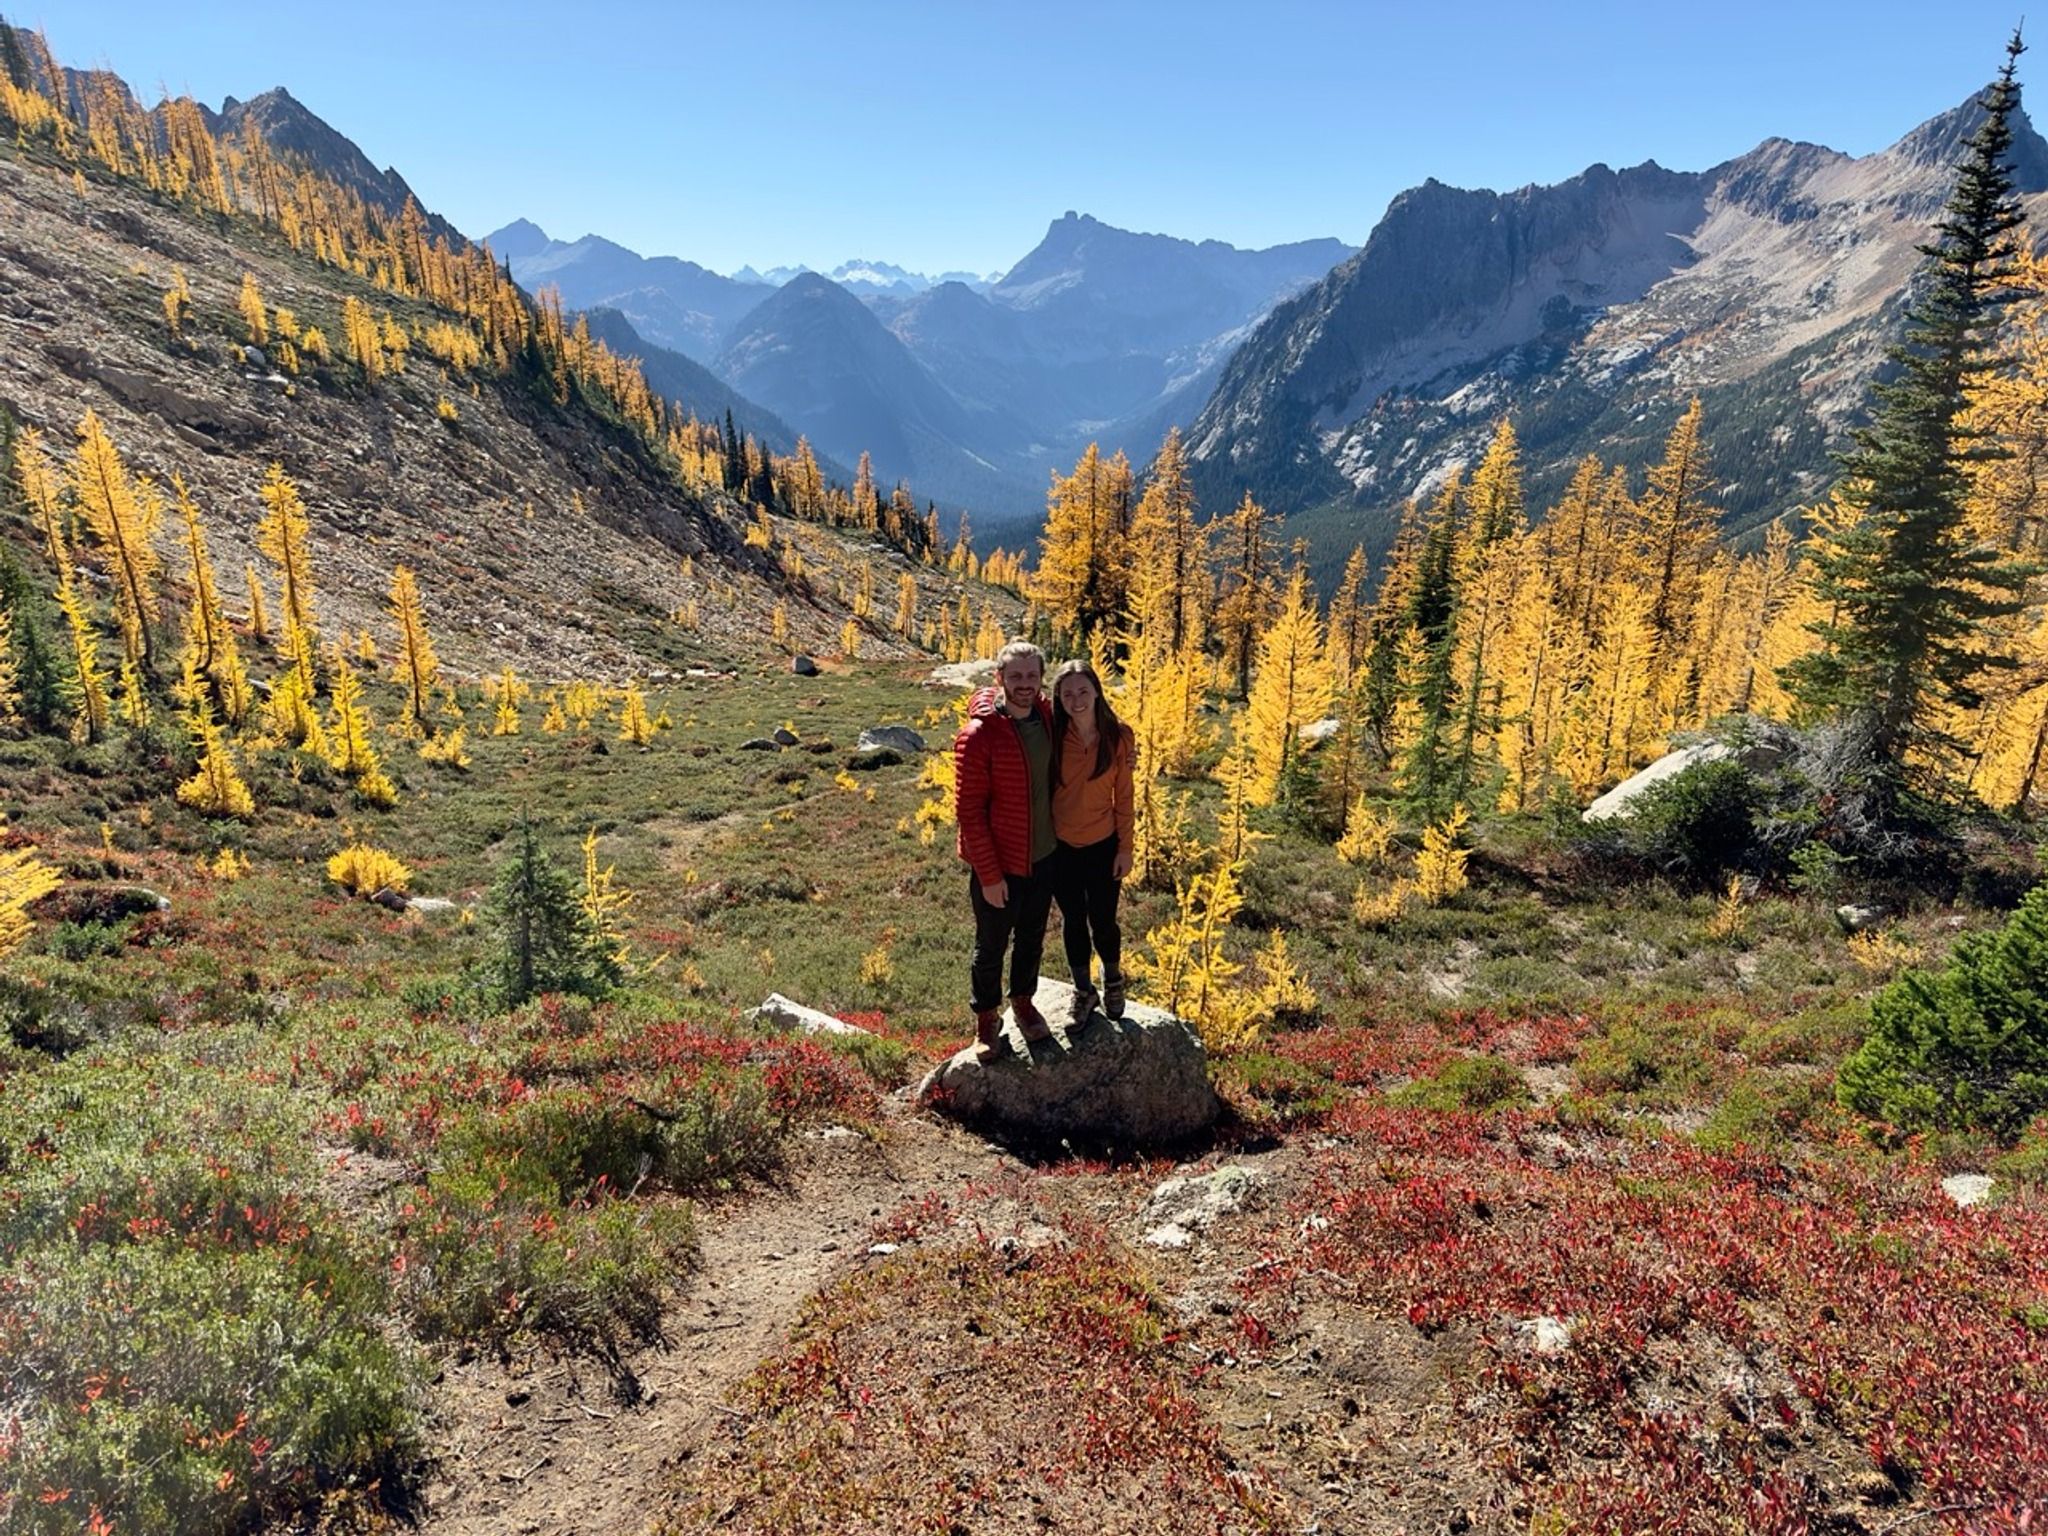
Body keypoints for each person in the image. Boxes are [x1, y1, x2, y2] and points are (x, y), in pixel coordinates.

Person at [954, 639, 1058, 1059]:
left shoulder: (1048, 717)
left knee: (1032, 936)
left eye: (1032, 676)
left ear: (1040, 680)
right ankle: (986, 1018)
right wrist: (990, 874)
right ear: (999, 679)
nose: (1024, 684)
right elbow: (969, 812)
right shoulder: (979, 735)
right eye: (1015, 676)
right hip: (999, 861)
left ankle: (1023, 1002)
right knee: (991, 946)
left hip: (1044, 855)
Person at [1047, 659, 1134, 1029]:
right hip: (1061, 846)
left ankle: (1112, 980)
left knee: (1103, 919)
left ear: (1097, 690)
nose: (1076, 699)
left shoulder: (1118, 736)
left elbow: (1125, 796)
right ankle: (1083, 991)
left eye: (1083, 690)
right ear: (1058, 699)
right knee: (1073, 921)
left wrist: (1126, 848)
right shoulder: (1051, 735)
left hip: (1103, 844)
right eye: (1068, 693)